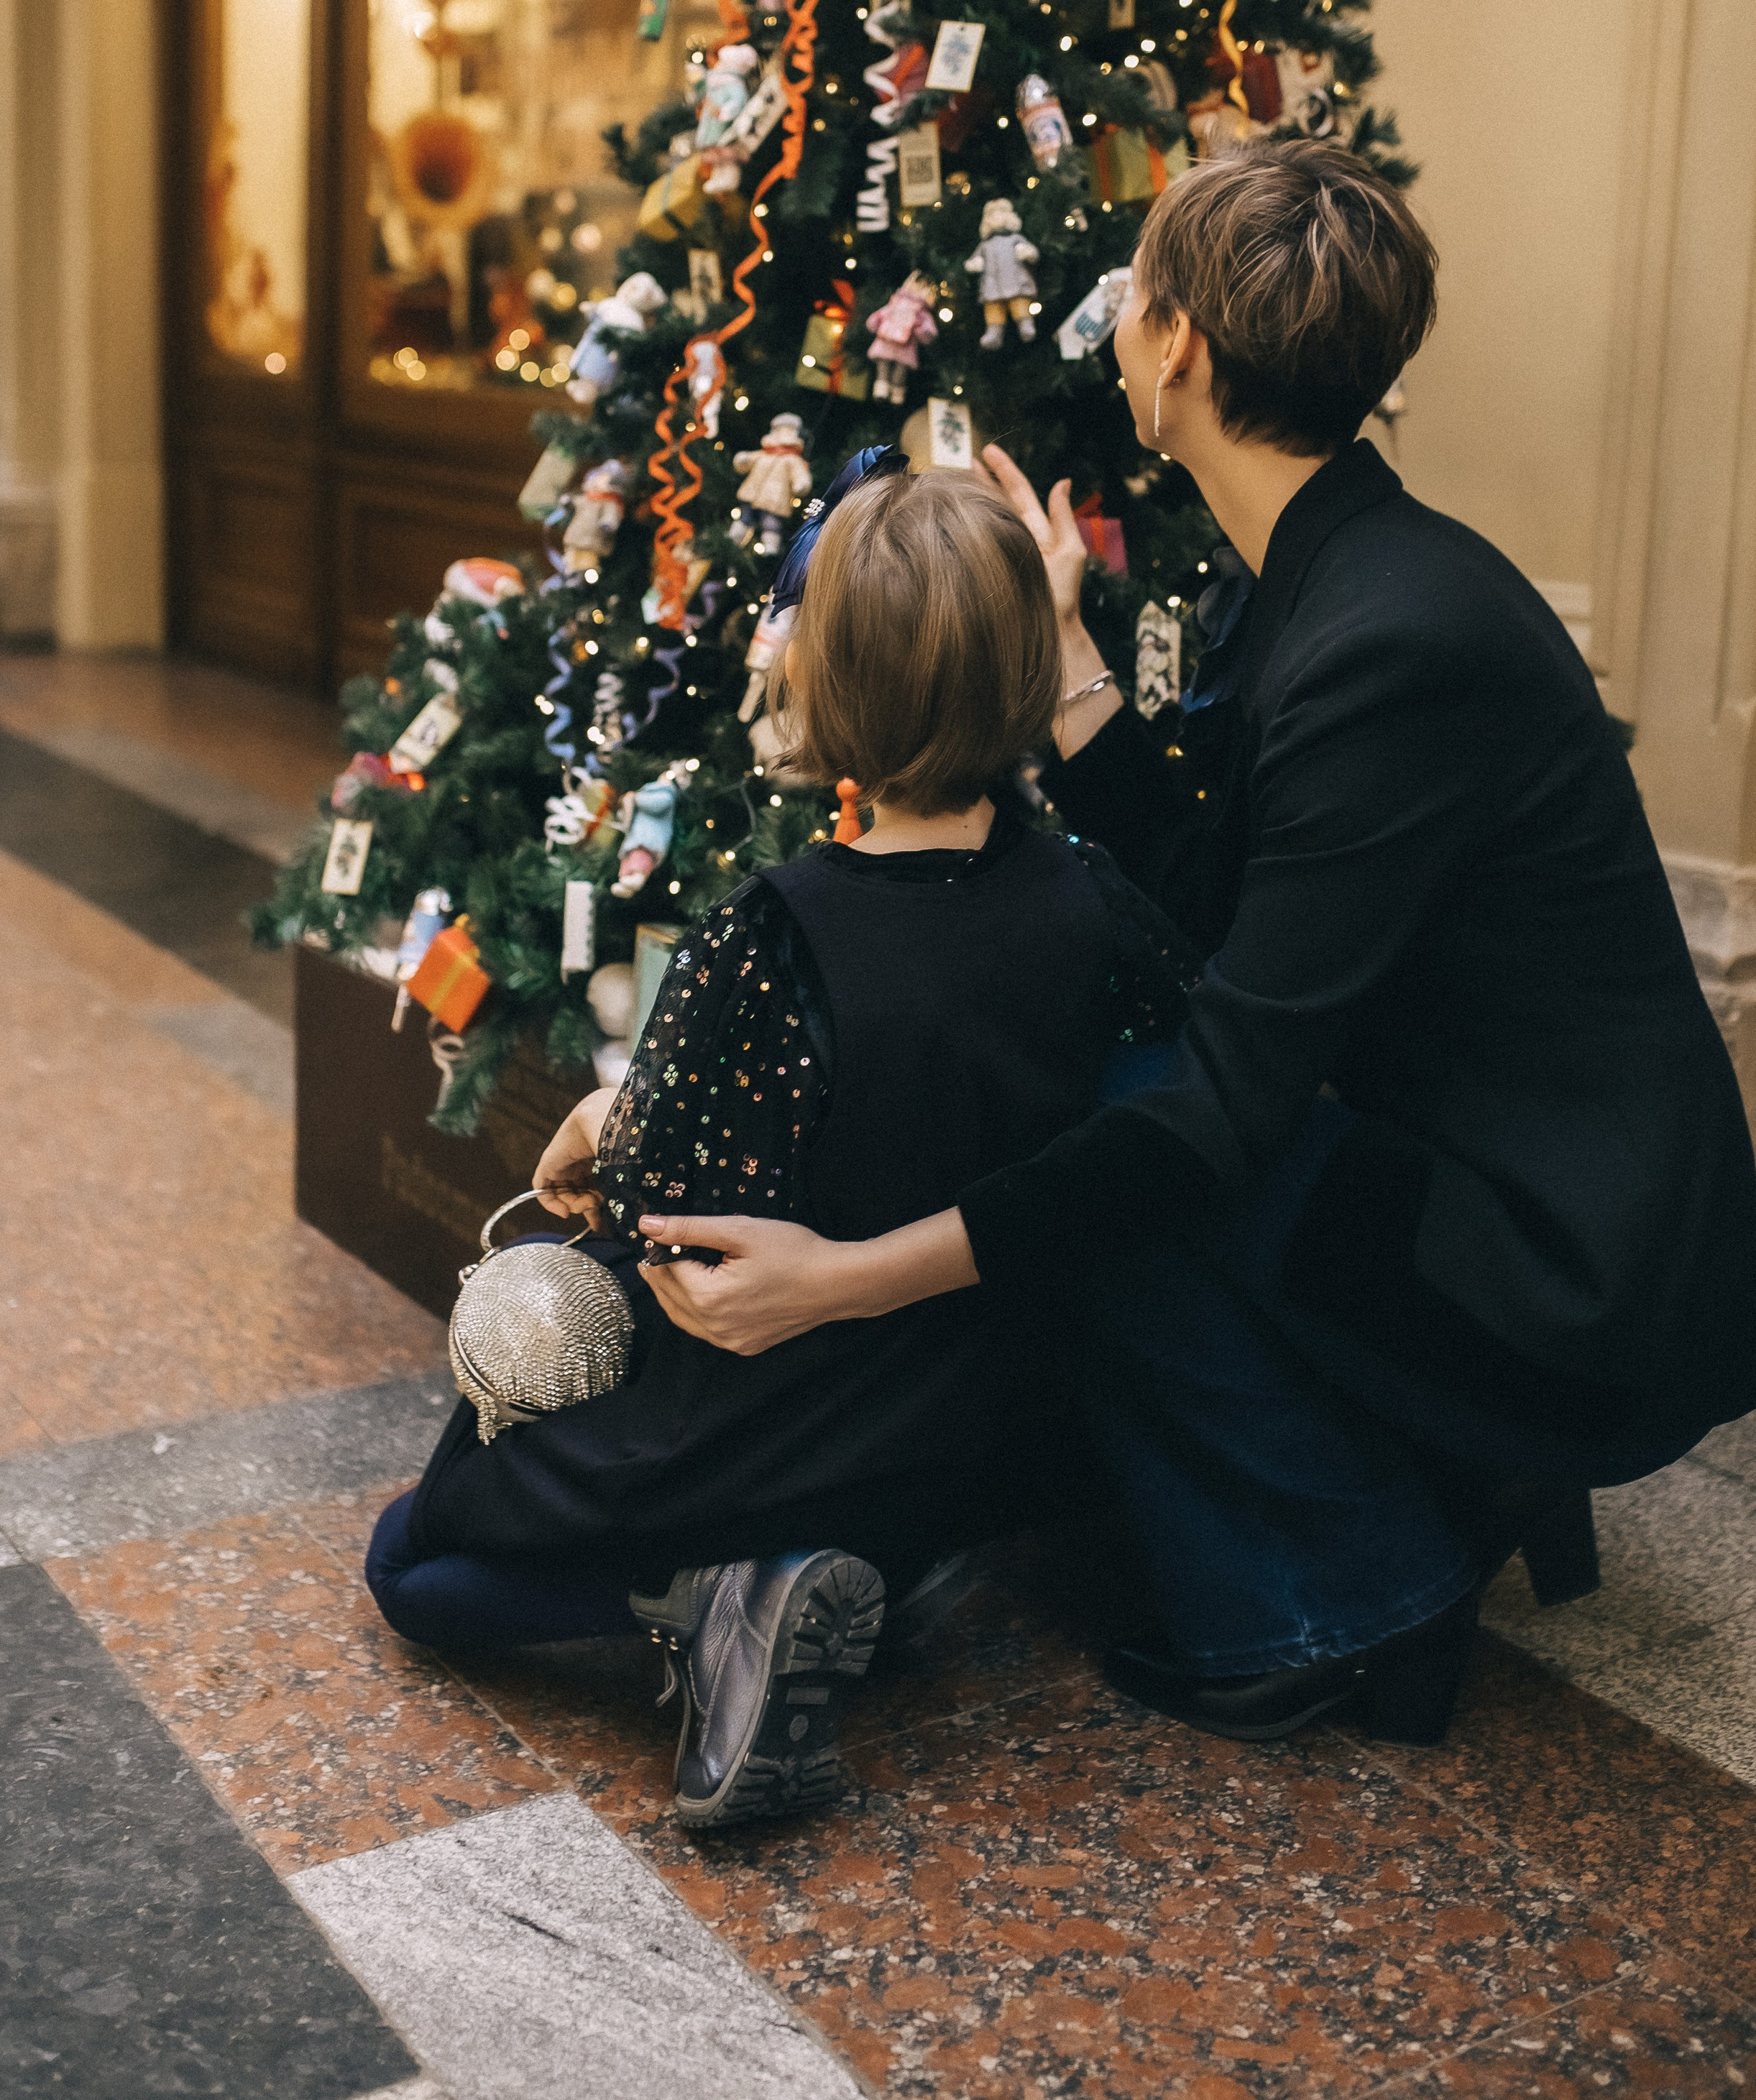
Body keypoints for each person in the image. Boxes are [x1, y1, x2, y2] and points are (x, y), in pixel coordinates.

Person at [635, 137, 1756, 1745]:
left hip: (1569, 1267)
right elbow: (1218, 911)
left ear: (1178, 347)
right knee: (1114, 1100)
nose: (1117, 327)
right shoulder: (1335, 573)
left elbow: (1213, 1111)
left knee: (1122, 1128)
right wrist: (1073, 655)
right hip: (1459, 1167)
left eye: (1134, 298)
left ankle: (1346, 1605)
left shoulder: (1389, 637)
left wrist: (845, 1283)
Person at [366, 469, 1195, 1823]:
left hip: (785, 1411)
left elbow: (672, 1229)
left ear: (833, 682)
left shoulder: (768, 936)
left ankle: (724, 1594)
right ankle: (884, 1564)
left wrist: (610, 1138)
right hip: (990, 1412)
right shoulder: (1093, 894)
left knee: (414, 1561)